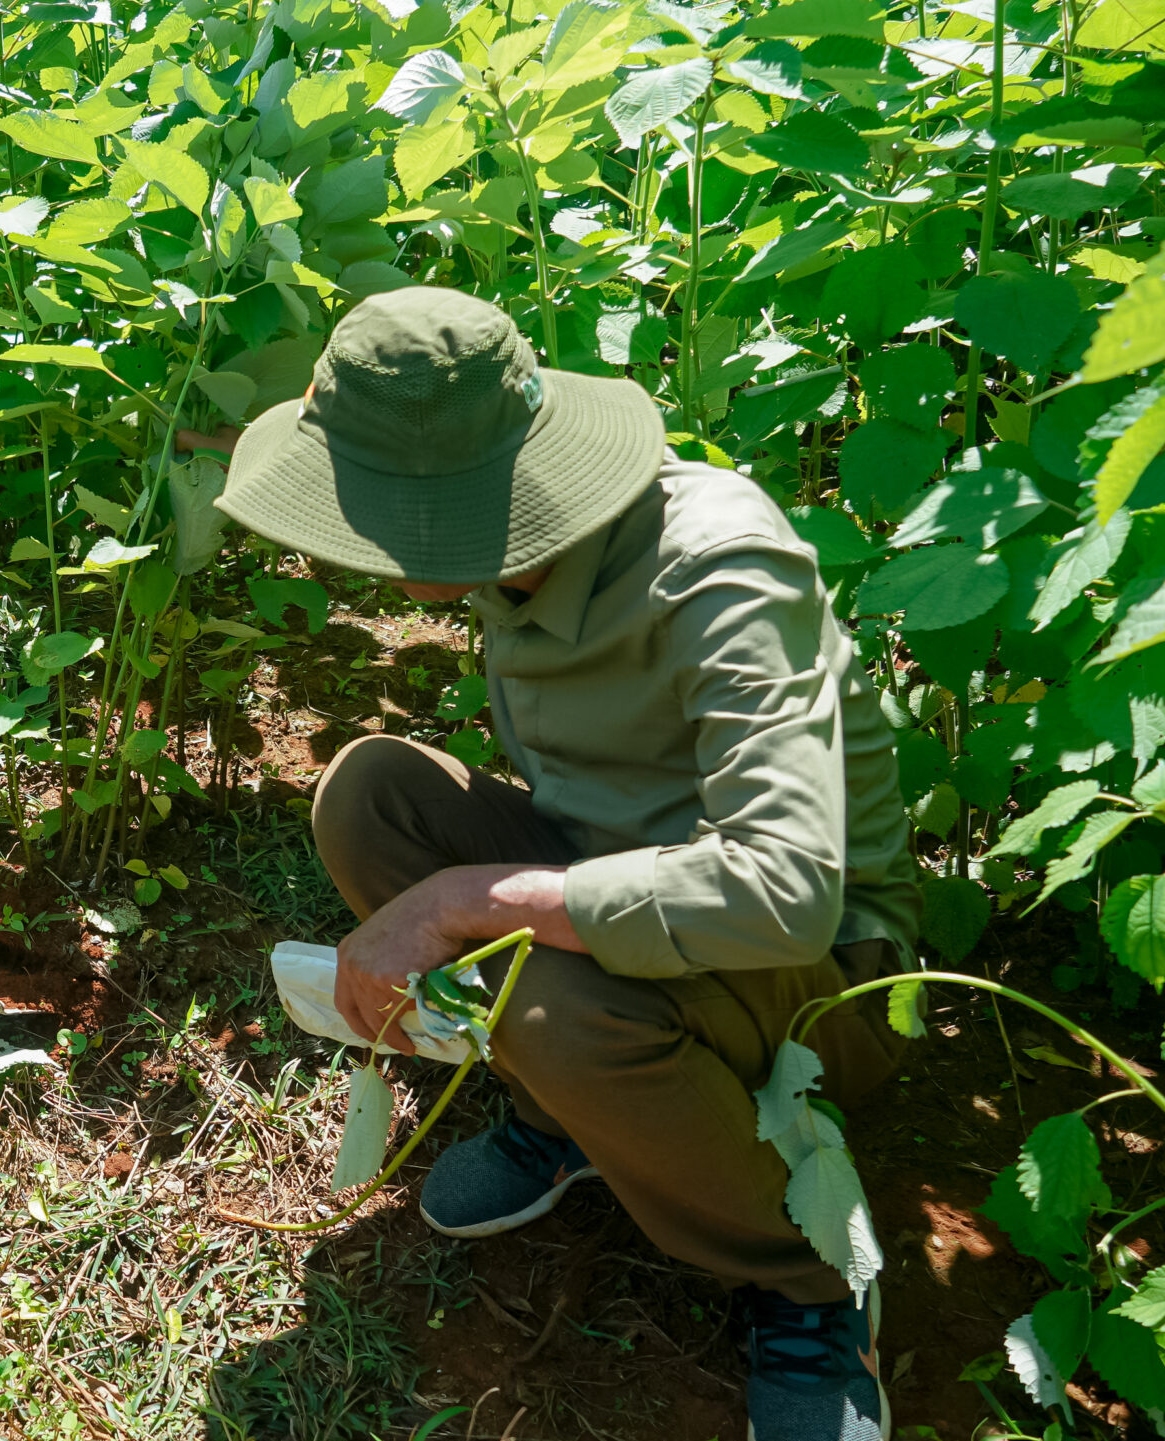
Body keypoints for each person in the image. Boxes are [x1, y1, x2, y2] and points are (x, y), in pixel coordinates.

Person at [198, 287, 920, 1441]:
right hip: (633, 887)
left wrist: (462, 900)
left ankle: (807, 1276)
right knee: (373, 795)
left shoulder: (719, 569)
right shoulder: (522, 560)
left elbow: (785, 894)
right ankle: (581, 1116)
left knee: (555, 1000)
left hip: (823, 986)